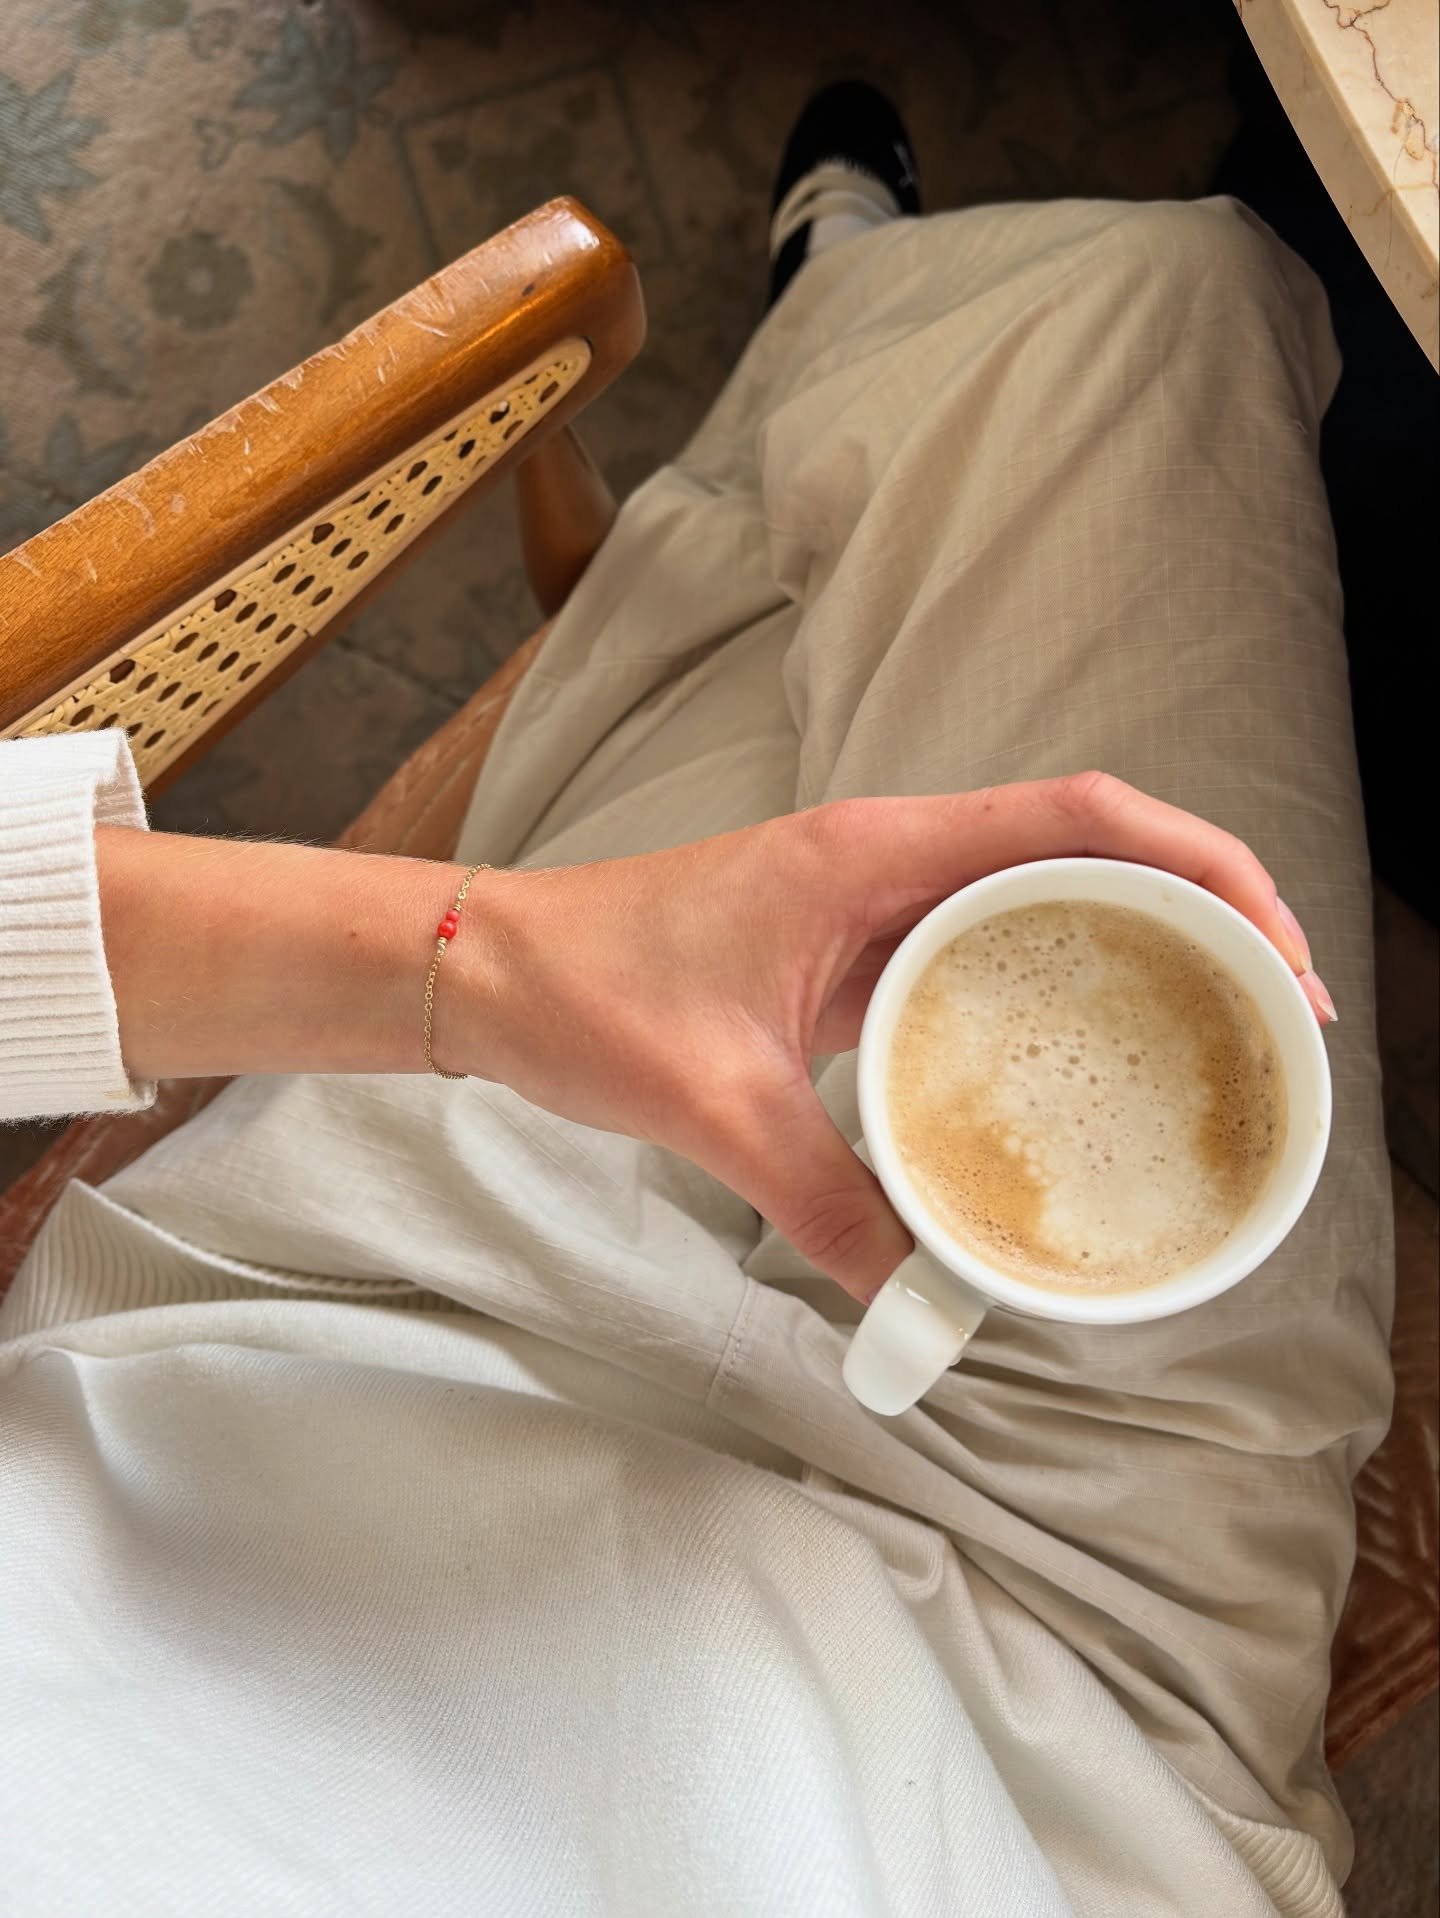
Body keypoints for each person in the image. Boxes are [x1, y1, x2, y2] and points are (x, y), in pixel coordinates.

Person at [0, 84, 1390, 1918]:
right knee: (1149, 305)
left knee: (1097, 338)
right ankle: (842, 306)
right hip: (1066, 1691)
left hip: (340, 1332)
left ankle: (841, 316)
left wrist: (484, 967)